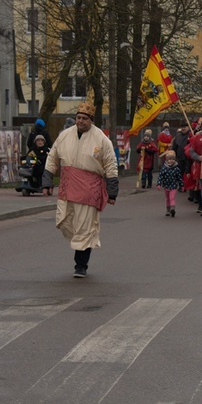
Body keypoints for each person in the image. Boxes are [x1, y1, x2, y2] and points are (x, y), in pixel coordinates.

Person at [42, 102, 118, 278]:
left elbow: (111, 165)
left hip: (89, 190)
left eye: (84, 118)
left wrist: (112, 191)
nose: (80, 121)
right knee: (63, 221)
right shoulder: (64, 136)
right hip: (67, 186)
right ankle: (83, 245)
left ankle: (80, 265)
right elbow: (52, 157)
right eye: (78, 118)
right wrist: (47, 181)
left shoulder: (101, 139)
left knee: (85, 228)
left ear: (91, 120)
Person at [156, 150, 182, 217]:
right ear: (167, 160)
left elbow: (179, 177)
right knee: (167, 198)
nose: (171, 160)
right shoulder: (164, 168)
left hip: (173, 186)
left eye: (173, 159)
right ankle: (168, 210)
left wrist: (181, 185)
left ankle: (172, 209)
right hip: (166, 186)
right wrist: (159, 184)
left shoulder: (176, 169)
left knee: (172, 198)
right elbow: (160, 176)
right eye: (170, 159)